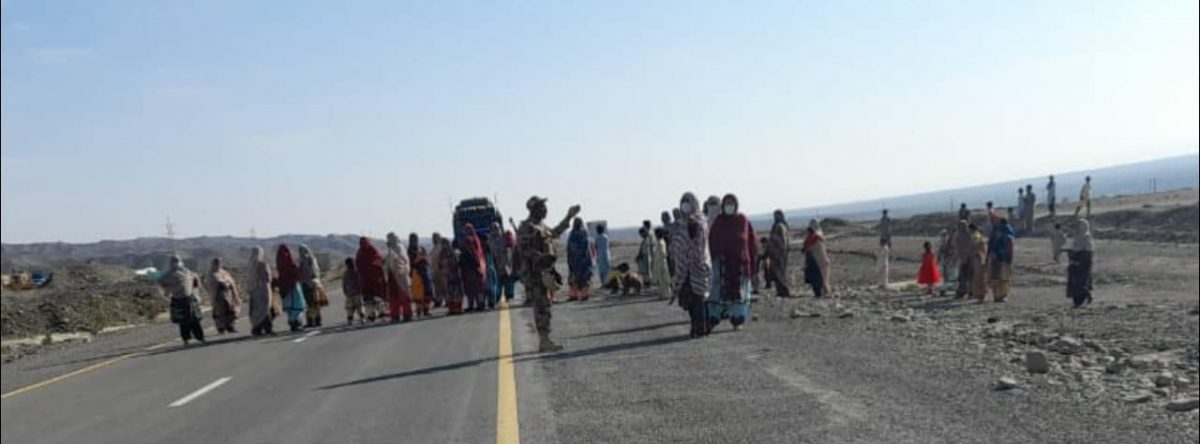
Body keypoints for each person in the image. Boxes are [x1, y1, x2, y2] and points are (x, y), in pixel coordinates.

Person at [516, 195, 581, 352]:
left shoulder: (542, 226)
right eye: (541, 207)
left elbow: (555, 233)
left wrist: (568, 217)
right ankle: (544, 341)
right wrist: (539, 257)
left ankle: (545, 339)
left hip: (545, 271)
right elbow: (523, 249)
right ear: (534, 209)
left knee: (545, 305)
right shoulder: (527, 227)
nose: (545, 209)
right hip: (535, 273)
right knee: (541, 306)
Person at [707, 194, 756, 331]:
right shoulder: (719, 222)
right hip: (721, 265)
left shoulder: (742, 220)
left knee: (740, 293)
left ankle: (737, 319)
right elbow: (712, 242)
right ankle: (713, 317)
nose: (729, 206)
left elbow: (750, 242)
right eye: (727, 203)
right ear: (723, 206)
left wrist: (751, 263)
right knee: (717, 291)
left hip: (740, 265)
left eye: (731, 203)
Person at [669, 192, 711, 338]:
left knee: (699, 299)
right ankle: (696, 325)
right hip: (684, 269)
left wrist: (694, 256)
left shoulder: (700, 222)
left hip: (698, 267)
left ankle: (700, 327)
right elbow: (677, 244)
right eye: (683, 203)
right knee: (689, 301)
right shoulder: (680, 225)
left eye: (688, 203)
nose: (685, 206)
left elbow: (701, 246)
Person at [158, 255, 206, 345]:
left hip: (190, 298)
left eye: (178, 261)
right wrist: (168, 290)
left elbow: (196, 280)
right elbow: (161, 282)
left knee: (194, 319)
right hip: (178, 299)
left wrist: (196, 290)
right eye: (175, 261)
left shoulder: (187, 272)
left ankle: (200, 337)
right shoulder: (168, 274)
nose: (177, 263)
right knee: (183, 321)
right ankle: (186, 338)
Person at [204, 257, 241, 334]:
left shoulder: (224, 272)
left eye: (219, 263)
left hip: (229, 294)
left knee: (230, 310)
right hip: (218, 296)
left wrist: (229, 285)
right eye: (216, 263)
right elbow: (211, 284)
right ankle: (221, 327)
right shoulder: (211, 273)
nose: (218, 265)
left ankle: (230, 326)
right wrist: (222, 284)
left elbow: (230, 280)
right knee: (220, 312)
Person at [457, 223, 488, 312]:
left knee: (476, 287)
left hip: (472, 266)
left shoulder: (470, 240)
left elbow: (472, 253)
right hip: (472, 266)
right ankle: (477, 304)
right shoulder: (475, 239)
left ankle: (479, 304)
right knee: (473, 287)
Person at [275, 245, 307, 331]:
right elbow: (296, 273)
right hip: (293, 287)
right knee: (297, 305)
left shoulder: (279, 263)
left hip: (284, 287)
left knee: (290, 306)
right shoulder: (291, 262)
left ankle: (293, 322)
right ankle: (296, 323)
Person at [355, 237, 386, 322]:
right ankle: (372, 315)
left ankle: (380, 314)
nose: (363, 244)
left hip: (373, 280)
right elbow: (358, 265)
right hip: (368, 280)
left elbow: (379, 261)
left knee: (376, 298)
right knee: (369, 299)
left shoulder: (369, 251)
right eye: (362, 242)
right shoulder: (362, 252)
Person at [384, 232, 413, 322]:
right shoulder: (392, 249)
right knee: (394, 297)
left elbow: (398, 260)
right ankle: (396, 315)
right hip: (394, 275)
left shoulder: (398, 248)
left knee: (403, 295)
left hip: (400, 275)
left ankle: (406, 314)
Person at [246, 247, 275, 336]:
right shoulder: (262, 264)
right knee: (265, 308)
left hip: (254, 290)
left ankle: (259, 327)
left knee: (257, 309)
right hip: (263, 289)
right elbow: (268, 276)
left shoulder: (250, 265)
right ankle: (264, 328)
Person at [1066, 219, 1095, 308]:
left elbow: (1087, 252)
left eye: (1078, 226)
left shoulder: (1086, 237)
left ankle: (1085, 296)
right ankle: (1077, 300)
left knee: (1080, 280)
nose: (1076, 229)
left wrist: (1077, 259)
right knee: (1073, 280)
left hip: (1083, 261)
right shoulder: (1077, 237)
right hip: (1076, 260)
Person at [987, 218, 1016, 303]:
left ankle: (1000, 295)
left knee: (1003, 278)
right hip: (998, 258)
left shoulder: (1005, 232)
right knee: (998, 277)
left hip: (1002, 258)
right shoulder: (997, 231)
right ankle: (998, 295)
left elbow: (1009, 244)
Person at [566, 217, 595, 301]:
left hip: (576, 259)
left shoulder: (573, 233)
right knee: (583, 277)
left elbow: (570, 247)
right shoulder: (584, 233)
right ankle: (582, 294)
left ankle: (575, 295)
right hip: (582, 259)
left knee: (576, 277)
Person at [801, 219, 832, 297]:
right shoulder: (818, 236)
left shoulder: (814, 237)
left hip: (815, 260)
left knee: (818, 277)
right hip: (818, 259)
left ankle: (821, 291)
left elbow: (805, 248)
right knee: (820, 276)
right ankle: (822, 291)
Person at [298, 244, 326, 328]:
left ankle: (310, 320)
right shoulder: (312, 259)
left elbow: (303, 273)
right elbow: (317, 271)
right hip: (315, 282)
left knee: (309, 303)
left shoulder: (303, 260)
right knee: (315, 302)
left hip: (306, 284)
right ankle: (317, 320)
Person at [408, 233, 433, 317]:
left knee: (424, 290)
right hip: (417, 272)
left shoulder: (418, 249)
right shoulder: (412, 250)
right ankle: (421, 310)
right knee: (420, 291)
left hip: (420, 272)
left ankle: (424, 310)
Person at [766, 209, 791, 297]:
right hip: (777, 253)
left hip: (778, 253)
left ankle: (784, 291)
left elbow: (782, 240)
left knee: (779, 273)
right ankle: (780, 291)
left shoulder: (780, 226)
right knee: (777, 273)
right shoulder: (780, 225)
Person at [488, 222, 515, 303]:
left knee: (508, 280)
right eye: (493, 228)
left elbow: (509, 248)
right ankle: (497, 297)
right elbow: (492, 249)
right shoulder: (491, 239)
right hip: (496, 263)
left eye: (496, 228)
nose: (495, 230)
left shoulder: (504, 237)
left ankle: (508, 296)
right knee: (498, 281)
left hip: (506, 262)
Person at [440, 237, 465, 314]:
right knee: (449, 293)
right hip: (446, 276)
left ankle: (458, 308)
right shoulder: (442, 254)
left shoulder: (455, 253)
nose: (445, 245)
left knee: (457, 293)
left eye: (446, 243)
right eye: (443, 244)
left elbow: (459, 263)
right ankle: (451, 309)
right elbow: (440, 265)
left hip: (456, 275)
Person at [342, 257, 365, 324]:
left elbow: (344, 283)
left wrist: (345, 291)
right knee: (359, 306)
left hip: (349, 293)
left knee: (350, 308)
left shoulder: (346, 273)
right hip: (357, 292)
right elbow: (360, 281)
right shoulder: (357, 272)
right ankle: (362, 318)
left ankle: (350, 320)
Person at [652, 228, 672, 301]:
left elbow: (663, 253)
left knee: (664, 279)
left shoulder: (661, 243)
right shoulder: (659, 242)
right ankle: (662, 294)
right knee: (661, 279)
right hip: (659, 262)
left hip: (662, 262)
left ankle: (666, 294)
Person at [936, 228, 957, 295]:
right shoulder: (945, 242)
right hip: (947, 260)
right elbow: (941, 251)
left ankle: (947, 288)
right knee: (947, 275)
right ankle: (946, 288)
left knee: (951, 275)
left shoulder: (951, 241)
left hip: (950, 260)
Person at [430, 232, 447, 307]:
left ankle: (447, 300)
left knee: (444, 286)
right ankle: (439, 300)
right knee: (437, 287)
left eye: (435, 237)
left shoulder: (442, 247)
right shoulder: (434, 248)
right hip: (435, 270)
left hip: (442, 270)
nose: (434, 239)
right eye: (433, 238)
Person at [660, 211, 676, 278]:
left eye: (663, 217)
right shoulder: (664, 226)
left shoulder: (672, 226)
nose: (662, 218)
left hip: (672, 247)